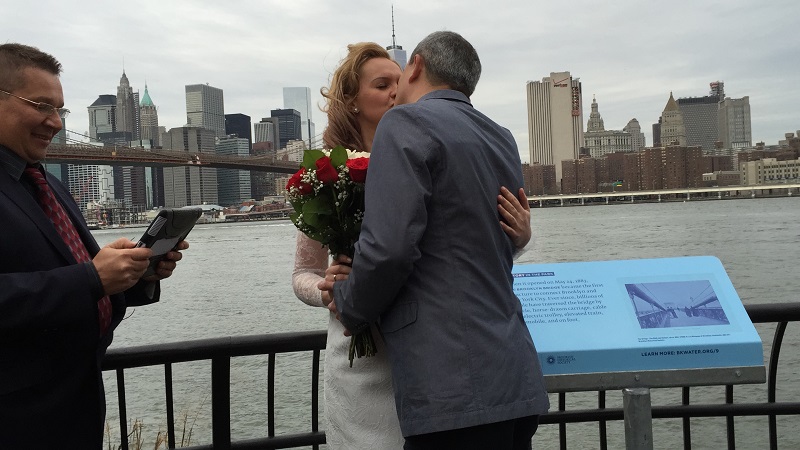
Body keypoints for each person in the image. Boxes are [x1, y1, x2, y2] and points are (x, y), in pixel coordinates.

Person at [292, 42, 532, 449]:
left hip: (433, 360)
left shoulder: (423, 141)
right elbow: (302, 273)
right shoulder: (323, 173)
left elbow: (459, 244)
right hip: (364, 356)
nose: (394, 91)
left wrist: (521, 239)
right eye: (381, 83)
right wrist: (328, 289)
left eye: (399, 81)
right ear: (351, 101)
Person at [0, 43, 188, 449]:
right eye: (41, 105)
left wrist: (140, 271)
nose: (55, 122)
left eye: (60, 111)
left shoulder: (50, 185)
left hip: (74, 415)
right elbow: (82, 281)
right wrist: (90, 277)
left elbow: (86, 283)